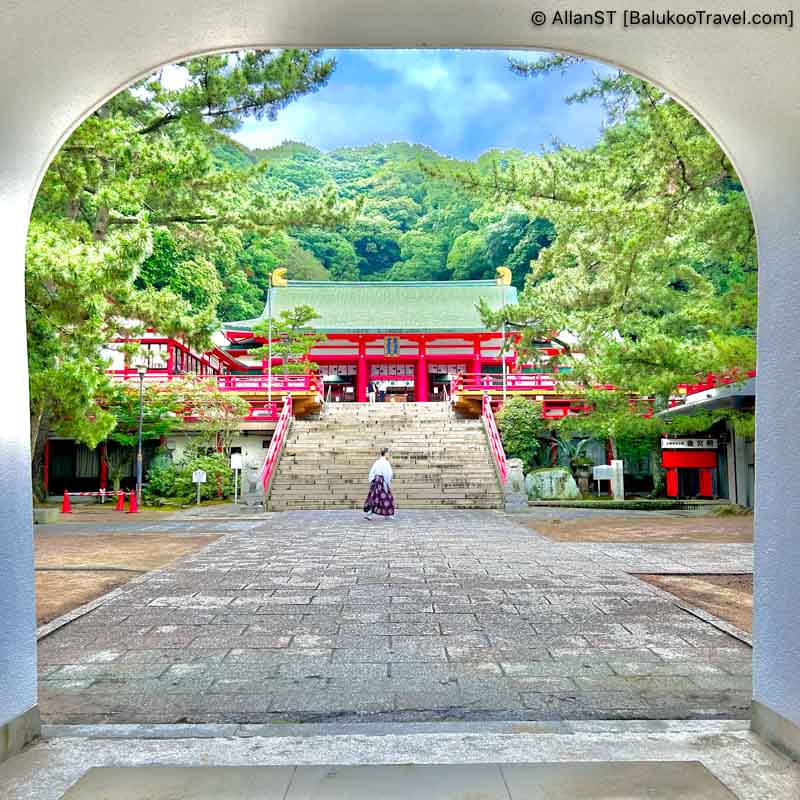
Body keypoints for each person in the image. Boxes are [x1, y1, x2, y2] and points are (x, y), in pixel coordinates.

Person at [363, 447, 395, 520]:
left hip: (376, 481)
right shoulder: (386, 462)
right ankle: (387, 514)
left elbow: (372, 471)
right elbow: (388, 473)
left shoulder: (377, 462)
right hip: (381, 481)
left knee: (375, 498)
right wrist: (388, 482)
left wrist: (372, 480)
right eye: (388, 453)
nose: (389, 455)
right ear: (385, 453)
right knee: (387, 497)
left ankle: (370, 514)